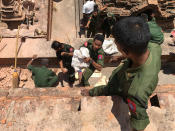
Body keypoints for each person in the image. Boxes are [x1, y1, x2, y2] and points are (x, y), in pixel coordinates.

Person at [82, 17, 162, 131]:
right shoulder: (154, 47)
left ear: (126, 51)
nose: (115, 43)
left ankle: (90, 92)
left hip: (121, 87)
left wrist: (91, 91)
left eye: (116, 43)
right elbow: (158, 33)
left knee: (106, 89)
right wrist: (122, 57)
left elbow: (139, 123)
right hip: (135, 69)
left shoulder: (135, 93)